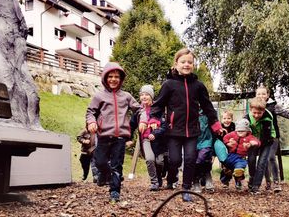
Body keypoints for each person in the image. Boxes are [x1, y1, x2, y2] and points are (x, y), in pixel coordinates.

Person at [146, 48, 226, 202]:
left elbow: (208, 106)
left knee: (190, 160)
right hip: (174, 130)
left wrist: (215, 123)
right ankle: (172, 177)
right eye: (183, 62)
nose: (186, 64)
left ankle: (186, 188)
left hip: (192, 131)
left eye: (190, 62)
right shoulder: (169, 84)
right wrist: (154, 120)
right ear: (176, 64)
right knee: (175, 160)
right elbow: (158, 104)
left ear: (193, 65)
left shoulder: (198, 86)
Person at [86, 62, 141, 204]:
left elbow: (139, 109)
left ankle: (115, 191)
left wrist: (144, 120)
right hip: (103, 135)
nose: (113, 79)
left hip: (120, 137)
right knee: (100, 162)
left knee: (117, 165)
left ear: (121, 79)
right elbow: (91, 112)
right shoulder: (99, 96)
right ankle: (106, 175)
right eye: (110, 76)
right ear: (105, 78)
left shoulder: (127, 96)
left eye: (117, 76)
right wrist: (91, 122)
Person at [256, 85, 289, 192]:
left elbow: (287, 113)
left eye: (263, 93)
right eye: (258, 94)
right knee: (263, 159)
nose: (261, 96)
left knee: (271, 157)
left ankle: (276, 182)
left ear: (268, 95)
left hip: (273, 136)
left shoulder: (273, 106)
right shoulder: (254, 105)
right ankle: (268, 182)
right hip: (260, 137)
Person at [131, 84, 167, 191]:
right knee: (150, 159)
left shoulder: (158, 108)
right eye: (142, 95)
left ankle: (159, 177)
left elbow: (164, 124)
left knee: (159, 162)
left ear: (151, 96)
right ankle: (154, 182)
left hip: (158, 139)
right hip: (145, 139)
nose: (144, 97)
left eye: (146, 94)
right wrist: (127, 137)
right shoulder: (138, 111)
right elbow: (131, 125)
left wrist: (155, 132)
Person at [246, 97, 275, 194]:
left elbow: (266, 135)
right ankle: (252, 177)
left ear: (263, 111)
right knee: (251, 159)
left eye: (259, 113)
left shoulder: (268, 117)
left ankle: (256, 186)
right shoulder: (247, 118)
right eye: (254, 113)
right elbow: (243, 132)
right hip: (252, 140)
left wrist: (258, 142)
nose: (256, 115)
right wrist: (250, 141)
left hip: (267, 140)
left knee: (262, 162)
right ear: (251, 110)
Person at [222, 118, 260, 190]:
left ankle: (240, 182)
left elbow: (256, 141)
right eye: (238, 131)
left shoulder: (249, 137)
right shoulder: (233, 134)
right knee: (226, 170)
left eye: (242, 131)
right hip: (231, 156)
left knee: (238, 170)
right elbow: (225, 137)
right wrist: (228, 143)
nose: (240, 133)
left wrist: (252, 143)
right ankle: (225, 181)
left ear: (247, 130)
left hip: (241, 158)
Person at [192, 110, 215, 193]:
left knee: (203, 158)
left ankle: (207, 176)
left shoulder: (207, 110)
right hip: (192, 140)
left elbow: (215, 122)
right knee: (193, 160)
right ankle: (195, 181)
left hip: (206, 139)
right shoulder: (189, 109)